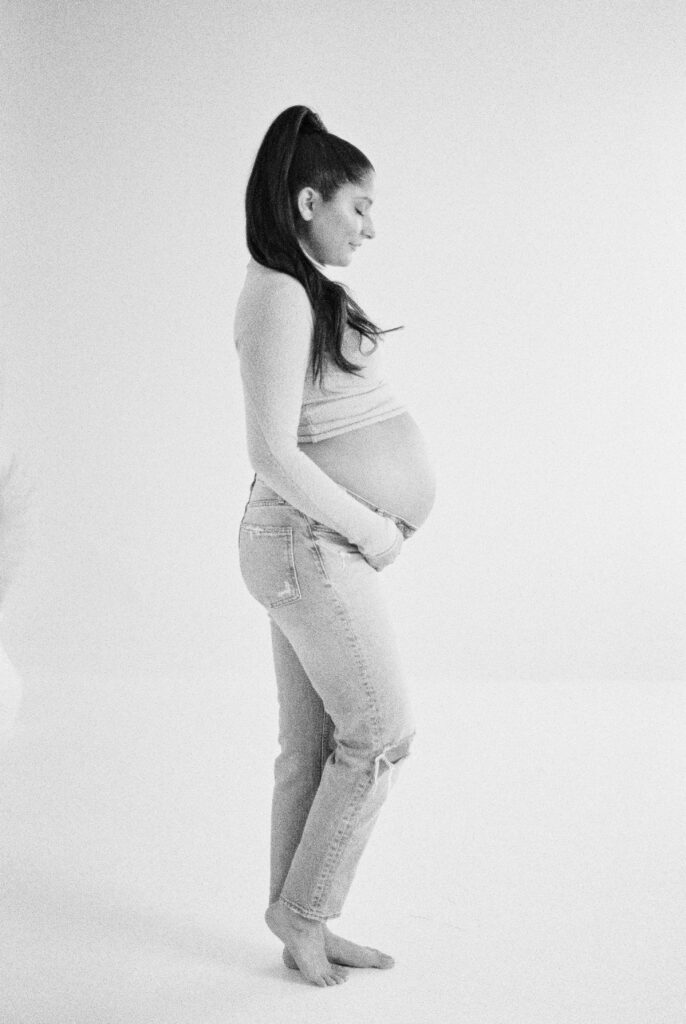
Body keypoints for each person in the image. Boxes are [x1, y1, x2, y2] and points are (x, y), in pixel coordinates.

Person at [234, 105, 436, 987]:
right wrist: (369, 529)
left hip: (308, 543)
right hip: (309, 541)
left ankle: (298, 919)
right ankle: (305, 910)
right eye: (358, 206)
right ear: (309, 200)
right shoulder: (279, 292)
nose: (369, 225)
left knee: (313, 746)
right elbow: (272, 450)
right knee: (383, 731)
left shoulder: (297, 285)